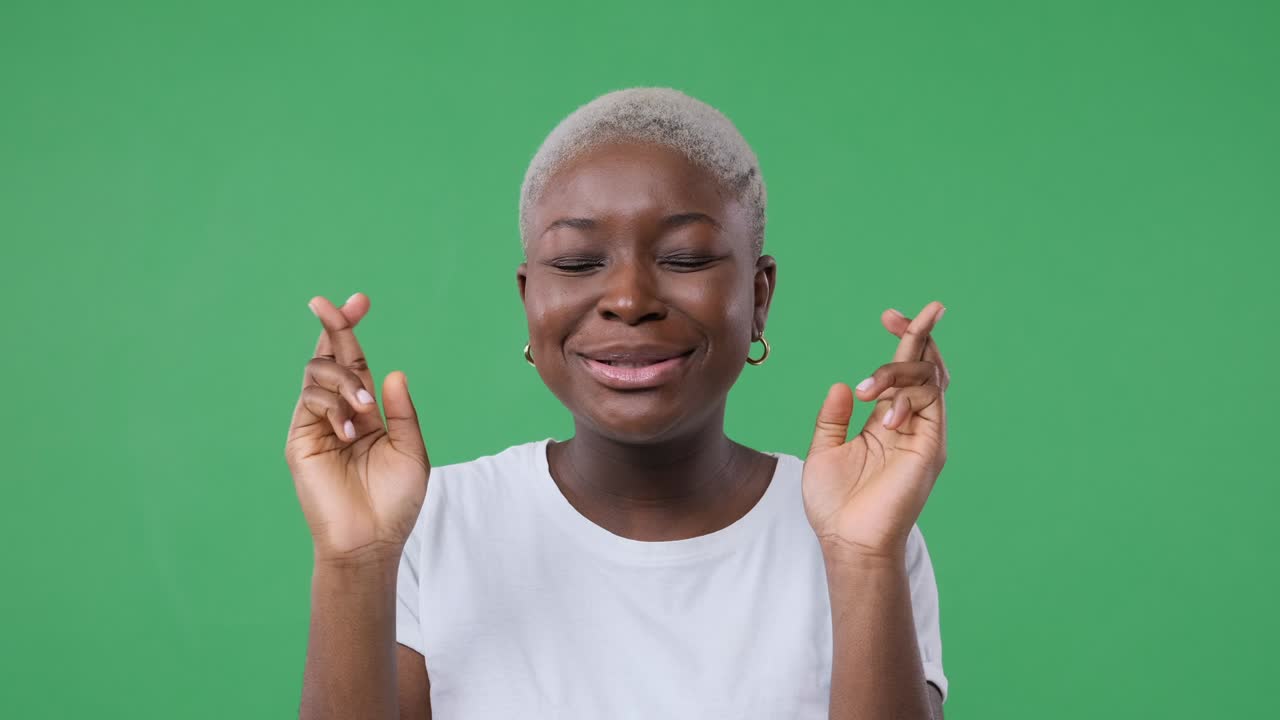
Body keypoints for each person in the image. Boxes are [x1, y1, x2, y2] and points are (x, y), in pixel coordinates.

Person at [286, 87, 951, 720]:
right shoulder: (429, 528)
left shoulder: (859, 531)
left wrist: (865, 557)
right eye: (577, 264)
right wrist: (353, 558)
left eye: (686, 258)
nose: (629, 300)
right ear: (529, 301)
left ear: (759, 296)